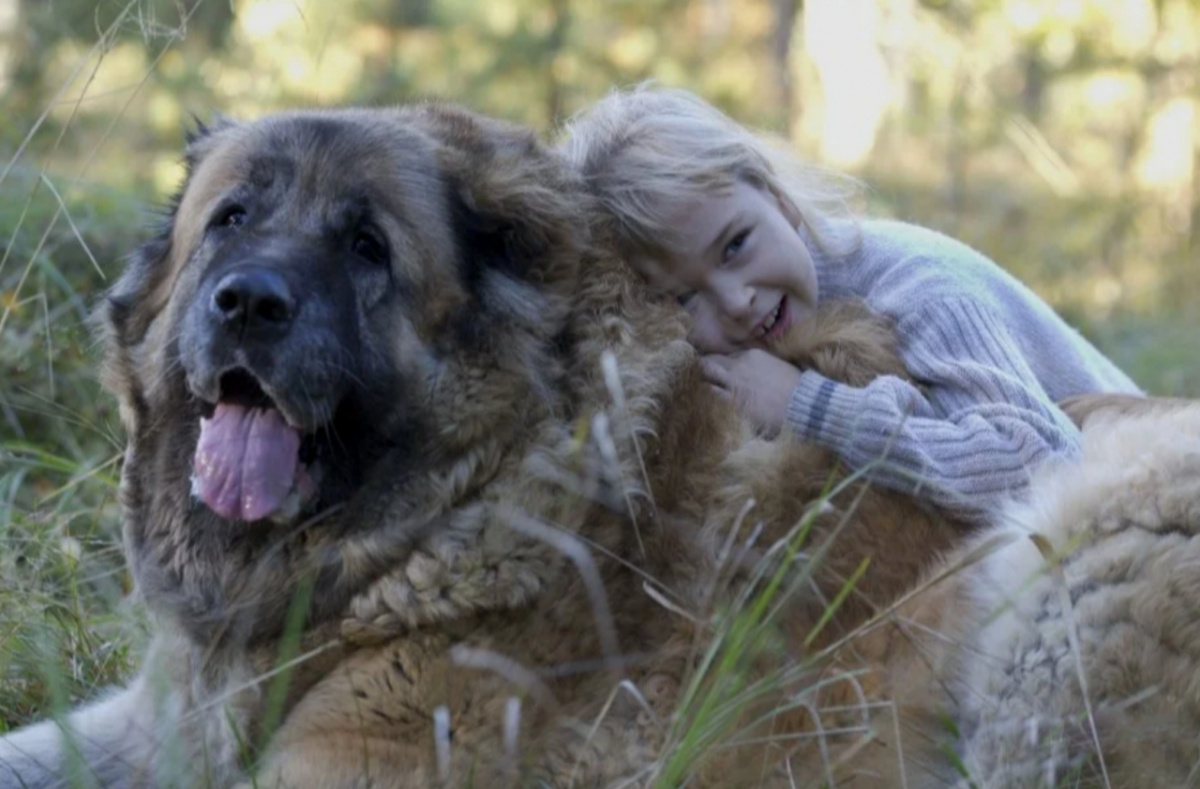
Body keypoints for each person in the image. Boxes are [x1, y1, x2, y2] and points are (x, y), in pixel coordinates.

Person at [559, 84, 1142, 524]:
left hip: (1147, 496)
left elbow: (1039, 464)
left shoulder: (919, 290)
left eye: (735, 245)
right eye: (687, 297)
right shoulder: (730, 351)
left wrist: (808, 404)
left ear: (778, 199)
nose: (736, 301)